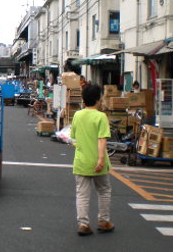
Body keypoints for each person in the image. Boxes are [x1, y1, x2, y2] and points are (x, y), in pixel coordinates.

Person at [70, 84, 114, 236]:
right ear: (98, 99)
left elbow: (73, 137)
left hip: (81, 161)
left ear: (83, 99)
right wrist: (101, 159)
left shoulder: (77, 115)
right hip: (97, 161)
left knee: (82, 194)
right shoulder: (101, 117)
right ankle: (104, 221)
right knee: (104, 191)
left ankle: (83, 224)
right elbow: (102, 140)